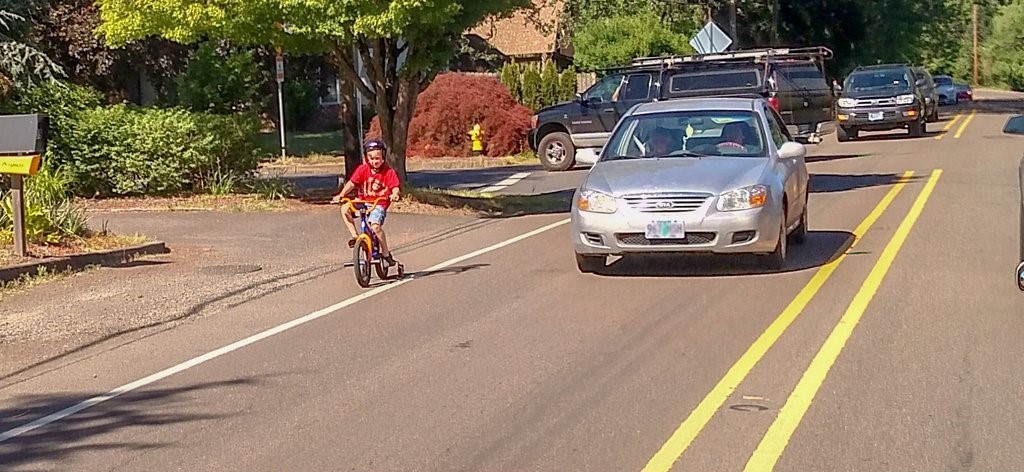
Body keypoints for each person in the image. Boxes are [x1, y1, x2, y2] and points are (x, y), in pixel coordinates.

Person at [331, 139, 402, 267]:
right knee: (345, 208)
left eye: (378, 158)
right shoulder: (363, 169)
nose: (375, 161)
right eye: (371, 158)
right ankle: (355, 237)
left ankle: (386, 253)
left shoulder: (388, 172)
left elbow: (395, 186)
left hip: (378, 204)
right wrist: (341, 195)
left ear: (383, 157)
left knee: (375, 227)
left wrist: (394, 194)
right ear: (367, 158)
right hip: (362, 201)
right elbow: (352, 183)